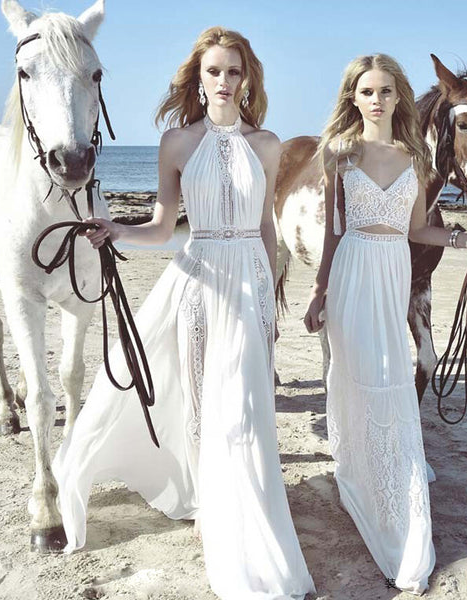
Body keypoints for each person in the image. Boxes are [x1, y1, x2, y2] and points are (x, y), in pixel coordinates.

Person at [53, 26, 315, 600]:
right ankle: (205, 504)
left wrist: (271, 292)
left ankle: (242, 511)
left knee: (246, 407)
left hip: (248, 282)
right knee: (202, 400)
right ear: (198, 78)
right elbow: (163, 225)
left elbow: (268, 228)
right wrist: (117, 227)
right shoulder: (176, 144)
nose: (224, 81)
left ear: (248, 79)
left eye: (234, 71)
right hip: (199, 282)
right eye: (214, 71)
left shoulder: (268, 144)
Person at [303, 54, 467, 595]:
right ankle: (361, 476)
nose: (376, 100)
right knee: (357, 377)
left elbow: (418, 231)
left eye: (386, 91)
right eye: (366, 91)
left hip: (391, 273)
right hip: (350, 275)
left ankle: (394, 497)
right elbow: (333, 234)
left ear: (399, 98)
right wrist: (319, 291)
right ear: (353, 97)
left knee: (393, 377)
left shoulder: (414, 158)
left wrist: (464, 240)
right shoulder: (339, 154)